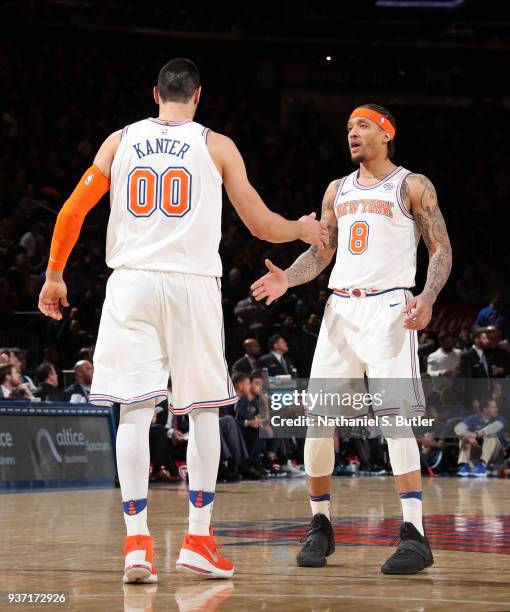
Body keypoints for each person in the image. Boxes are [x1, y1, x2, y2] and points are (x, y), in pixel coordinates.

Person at [37, 58, 328, 583]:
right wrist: (302, 229)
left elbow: (72, 212)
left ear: (155, 94)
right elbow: (261, 224)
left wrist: (55, 273)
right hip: (190, 284)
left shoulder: (118, 141)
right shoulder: (217, 145)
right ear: (198, 97)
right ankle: (197, 538)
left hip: (131, 283)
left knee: (133, 412)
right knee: (202, 412)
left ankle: (137, 547)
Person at [252, 104, 452, 574]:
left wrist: (427, 295)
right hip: (340, 308)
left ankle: (414, 534)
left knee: (397, 421)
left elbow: (440, 246)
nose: (352, 134)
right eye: (348, 128)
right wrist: (289, 280)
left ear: (386, 133)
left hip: (390, 310)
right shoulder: (336, 190)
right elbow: (321, 253)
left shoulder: (412, 185)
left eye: (362, 126)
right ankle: (319, 525)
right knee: (317, 420)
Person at [455, 399, 506, 477]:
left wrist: (476, 434)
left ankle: (483, 465)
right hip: (478, 449)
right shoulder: (473, 418)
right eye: (493, 407)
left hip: (497, 453)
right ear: (485, 409)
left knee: (490, 435)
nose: (496, 409)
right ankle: (465, 465)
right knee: (464, 437)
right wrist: (468, 437)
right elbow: (458, 428)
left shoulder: (499, 419)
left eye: (496, 407)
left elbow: (493, 428)